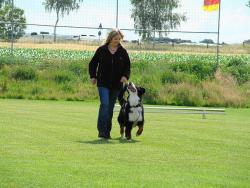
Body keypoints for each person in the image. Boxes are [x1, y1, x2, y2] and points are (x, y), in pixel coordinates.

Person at [89, 29, 131, 140]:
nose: (117, 41)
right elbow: (93, 63)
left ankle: (107, 132)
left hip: (117, 85)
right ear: (110, 38)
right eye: (115, 39)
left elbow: (127, 66)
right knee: (105, 105)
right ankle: (102, 132)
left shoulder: (123, 52)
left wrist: (125, 76)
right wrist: (93, 76)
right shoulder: (102, 50)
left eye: (119, 39)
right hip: (103, 83)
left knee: (110, 108)